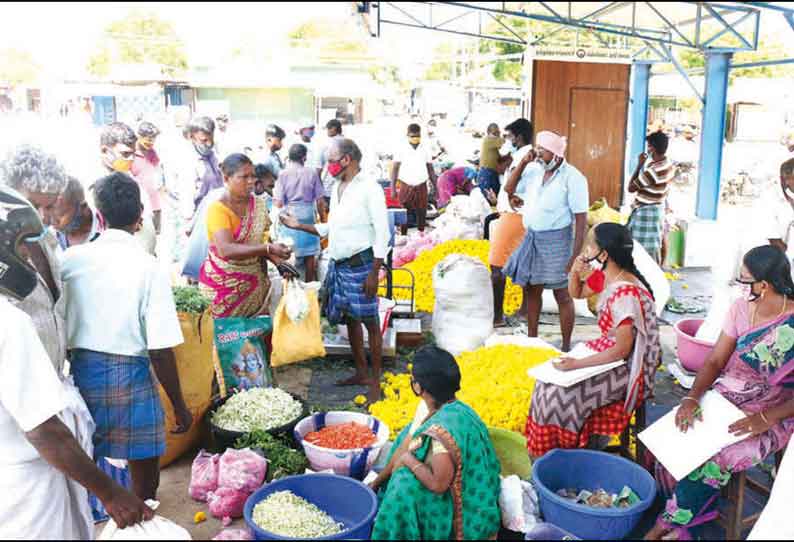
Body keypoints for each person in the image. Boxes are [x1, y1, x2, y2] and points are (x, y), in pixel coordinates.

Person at [0, 187, 153, 538]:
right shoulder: (9, 323)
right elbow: (43, 430)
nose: (29, 259)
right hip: (26, 484)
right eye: (23, 247)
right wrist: (111, 493)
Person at [645, 245, 794, 541]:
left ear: (763, 285)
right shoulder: (741, 307)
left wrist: (765, 418)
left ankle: (667, 523)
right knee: (677, 432)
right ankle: (692, 510)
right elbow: (715, 360)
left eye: (745, 279)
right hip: (730, 394)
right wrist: (691, 399)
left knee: (721, 457)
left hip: (776, 410)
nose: (740, 285)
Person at [61, 173, 194, 501]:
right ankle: (141, 522)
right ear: (139, 217)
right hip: (131, 377)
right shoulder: (148, 267)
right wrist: (178, 404)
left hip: (79, 376)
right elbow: (160, 349)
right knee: (144, 482)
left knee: (85, 466)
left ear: (100, 217)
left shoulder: (69, 261)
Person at [526, 223, 662, 458]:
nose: (586, 250)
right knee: (544, 385)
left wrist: (575, 365)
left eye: (590, 246)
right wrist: (575, 272)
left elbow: (622, 350)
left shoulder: (625, 293)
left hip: (629, 368)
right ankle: (555, 452)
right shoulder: (610, 276)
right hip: (614, 354)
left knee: (558, 397)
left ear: (604, 254)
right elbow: (577, 293)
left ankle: (566, 454)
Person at [280, 138, 389, 402]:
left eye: (331, 160)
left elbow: (383, 234)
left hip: (362, 264)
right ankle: (361, 372)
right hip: (340, 264)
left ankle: (375, 382)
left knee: (371, 323)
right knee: (351, 318)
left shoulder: (369, 189)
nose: (327, 166)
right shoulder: (339, 187)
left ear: (347, 160)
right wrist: (298, 225)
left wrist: (374, 272)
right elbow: (332, 228)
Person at [370, 346, 501, 540]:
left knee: (402, 485)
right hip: (476, 492)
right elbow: (407, 440)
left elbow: (439, 484)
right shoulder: (459, 409)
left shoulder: (440, 434)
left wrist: (409, 461)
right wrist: (376, 482)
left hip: (464, 516)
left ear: (418, 387)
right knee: (407, 434)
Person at [504, 131, 589, 352]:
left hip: (558, 242)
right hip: (533, 239)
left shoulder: (573, 178)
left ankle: (566, 345)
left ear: (557, 153)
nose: (538, 153)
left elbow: (581, 219)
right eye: (538, 148)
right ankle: (533, 341)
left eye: (543, 150)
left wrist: (574, 255)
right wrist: (523, 162)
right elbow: (508, 189)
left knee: (562, 294)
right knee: (533, 290)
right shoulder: (533, 170)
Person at [0, 144, 69, 374]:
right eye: (33, 204)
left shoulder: (49, 243)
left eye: (49, 206)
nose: (40, 216)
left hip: (55, 385)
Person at [199, 154, 292, 319]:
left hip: (254, 288)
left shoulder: (259, 205)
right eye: (244, 177)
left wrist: (278, 262)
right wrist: (269, 248)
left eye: (253, 176)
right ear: (226, 178)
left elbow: (261, 240)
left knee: (255, 339)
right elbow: (226, 249)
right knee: (226, 339)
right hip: (224, 289)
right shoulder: (217, 209)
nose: (251, 181)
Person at [489, 118, 533, 326]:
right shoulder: (520, 156)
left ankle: (497, 317)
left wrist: (510, 198)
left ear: (519, 137)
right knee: (524, 265)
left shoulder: (527, 158)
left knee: (496, 267)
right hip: (517, 214)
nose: (508, 140)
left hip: (515, 216)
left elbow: (513, 188)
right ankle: (524, 311)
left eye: (510, 136)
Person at [99, 122, 157, 256]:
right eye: (125, 154)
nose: (130, 159)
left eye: (133, 154)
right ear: (104, 150)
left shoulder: (128, 177)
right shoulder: (95, 185)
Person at [273, 144, 326, 283]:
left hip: (290, 216)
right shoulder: (312, 173)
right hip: (308, 215)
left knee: (288, 253)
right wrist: (324, 221)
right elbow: (320, 201)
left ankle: (290, 288)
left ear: (289, 157)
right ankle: (309, 288)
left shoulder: (283, 174)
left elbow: (278, 203)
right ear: (304, 157)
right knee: (310, 255)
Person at [627, 131, 674, 264]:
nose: (648, 148)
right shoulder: (668, 163)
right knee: (655, 246)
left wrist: (639, 164)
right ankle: (659, 271)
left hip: (646, 212)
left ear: (652, 148)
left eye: (649, 145)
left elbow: (630, 188)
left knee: (641, 252)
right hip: (658, 208)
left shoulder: (653, 171)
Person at [390, 123, 437, 235]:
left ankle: (421, 235)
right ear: (408, 135)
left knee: (422, 212)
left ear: (420, 135)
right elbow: (395, 168)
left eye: (417, 136)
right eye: (413, 136)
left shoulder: (425, 148)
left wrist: (436, 186)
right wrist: (392, 188)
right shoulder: (401, 148)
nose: (415, 138)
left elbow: (430, 168)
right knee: (404, 213)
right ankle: (403, 235)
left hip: (421, 185)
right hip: (406, 185)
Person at [52, 176, 105, 252]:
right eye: (50, 215)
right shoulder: (51, 236)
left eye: (60, 216)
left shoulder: (106, 229)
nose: (53, 222)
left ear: (83, 207)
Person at [131, 121, 164, 234]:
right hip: (139, 205)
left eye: (153, 139)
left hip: (155, 202)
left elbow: (158, 172)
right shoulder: (131, 155)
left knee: (155, 235)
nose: (151, 142)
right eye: (148, 139)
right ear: (139, 137)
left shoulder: (152, 153)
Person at [187, 116, 223, 212]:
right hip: (200, 214)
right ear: (192, 137)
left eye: (211, 139)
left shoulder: (215, 153)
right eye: (204, 140)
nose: (209, 144)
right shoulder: (188, 161)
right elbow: (186, 196)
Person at [765, 158, 794, 254]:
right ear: (785, 179)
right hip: (768, 259)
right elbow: (774, 239)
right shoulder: (770, 198)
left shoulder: (788, 197)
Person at [319, 119, 345, 208]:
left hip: (328, 187)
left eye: (328, 129)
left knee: (329, 217)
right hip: (344, 187)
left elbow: (318, 168)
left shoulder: (327, 144)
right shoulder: (349, 144)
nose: (327, 131)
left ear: (334, 128)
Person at [478, 123, 505, 203]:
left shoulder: (493, 144)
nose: (497, 134)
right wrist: (501, 135)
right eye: (495, 132)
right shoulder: (489, 139)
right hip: (487, 173)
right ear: (488, 132)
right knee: (489, 199)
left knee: (494, 196)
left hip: (491, 172)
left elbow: (498, 157)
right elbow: (503, 142)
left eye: (498, 132)